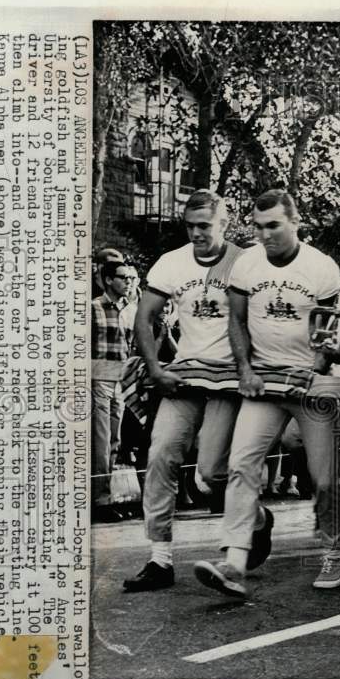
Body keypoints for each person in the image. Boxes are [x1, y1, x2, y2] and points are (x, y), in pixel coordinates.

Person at [193, 189, 340, 597]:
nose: (265, 235)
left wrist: (315, 367)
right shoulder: (247, 264)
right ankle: (235, 562)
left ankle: (333, 550)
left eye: (274, 226)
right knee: (242, 465)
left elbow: (333, 329)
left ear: (295, 223)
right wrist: (245, 370)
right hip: (264, 381)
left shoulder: (321, 267)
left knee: (324, 479)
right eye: (259, 227)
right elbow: (237, 321)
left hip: (312, 385)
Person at [122, 191, 246, 592]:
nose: (195, 233)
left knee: (212, 472)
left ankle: (256, 520)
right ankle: (160, 560)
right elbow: (144, 317)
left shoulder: (245, 263)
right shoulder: (172, 262)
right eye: (189, 226)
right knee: (160, 453)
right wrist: (156, 369)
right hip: (187, 373)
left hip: (228, 377)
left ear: (224, 224)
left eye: (204, 226)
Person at [91, 260, 136, 522]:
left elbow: (130, 347)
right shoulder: (93, 308)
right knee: (100, 440)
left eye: (130, 278)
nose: (128, 282)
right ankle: (99, 500)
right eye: (123, 277)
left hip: (120, 379)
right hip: (97, 377)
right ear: (108, 280)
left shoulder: (130, 309)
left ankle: (106, 496)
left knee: (115, 441)